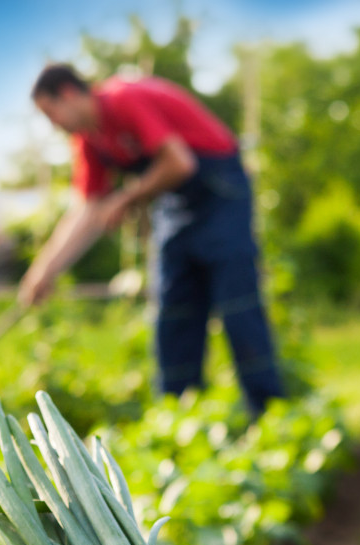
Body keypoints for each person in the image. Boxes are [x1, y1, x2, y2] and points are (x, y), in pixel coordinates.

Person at [20, 63, 286, 415]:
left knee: (237, 308)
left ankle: (268, 414)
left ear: (68, 94)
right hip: (174, 204)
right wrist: (44, 271)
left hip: (220, 192)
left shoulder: (123, 99)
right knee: (173, 312)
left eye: (50, 113)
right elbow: (86, 212)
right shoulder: (89, 140)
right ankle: (178, 421)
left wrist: (126, 198)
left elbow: (179, 162)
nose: (52, 124)